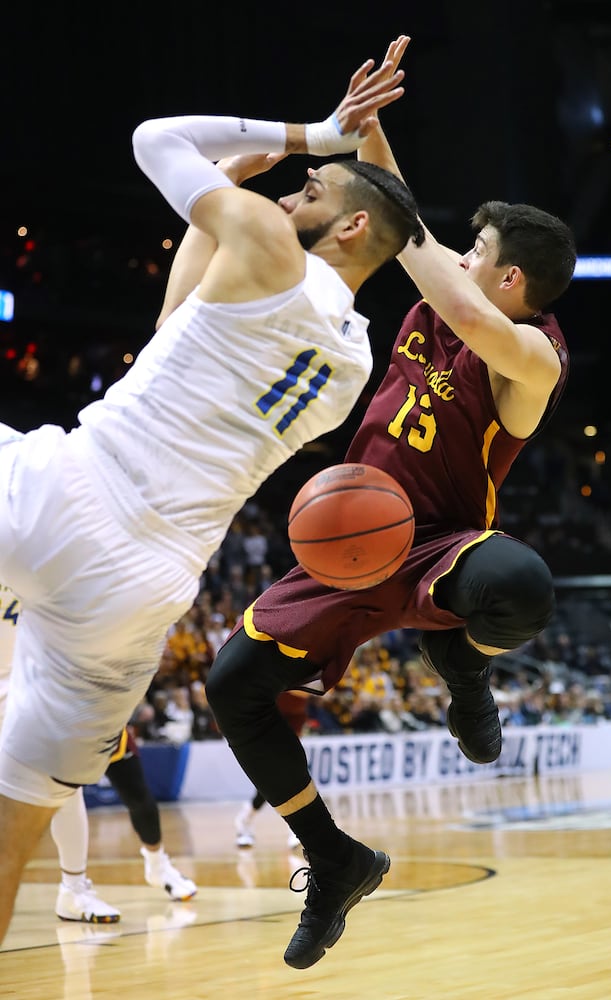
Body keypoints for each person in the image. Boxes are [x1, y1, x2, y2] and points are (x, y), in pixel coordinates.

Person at [0, 41, 424, 946]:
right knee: (12, 832)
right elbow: (174, 333)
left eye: (310, 192)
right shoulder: (352, 364)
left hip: (72, 491)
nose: (285, 197)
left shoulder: (270, 250)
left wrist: (321, 132)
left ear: (350, 229)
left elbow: (155, 136)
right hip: (141, 593)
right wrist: (227, 203)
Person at [204, 33, 577, 971]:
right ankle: (333, 859)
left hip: (443, 545)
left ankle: (459, 657)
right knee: (229, 685)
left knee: (525, 581)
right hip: (348, 541)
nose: (458, 252)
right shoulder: (454, 279)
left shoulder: (531, 357)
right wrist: (361, 127)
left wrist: (382, 187)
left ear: (510, 280)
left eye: (477, 250)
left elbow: (434, 272)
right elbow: (404, 217)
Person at [0, 584, 195, 925]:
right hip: (39, 688)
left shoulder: (35, 551)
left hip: (53, 689)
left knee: (96, 789)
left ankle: (90, 883)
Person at [234, 691, 309, 850]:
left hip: (293, 711)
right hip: (267, 710)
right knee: (274, 777)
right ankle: (246, 818)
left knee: (285, 774)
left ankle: (247, 818)